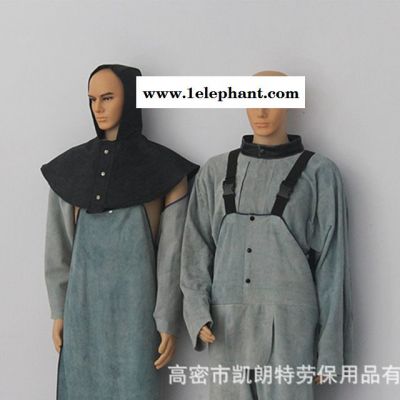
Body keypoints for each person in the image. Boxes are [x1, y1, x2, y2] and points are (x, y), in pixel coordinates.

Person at [180, 70, 353, 400]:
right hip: (225, 327)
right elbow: (194, 251)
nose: (261, 110)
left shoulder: (320, 173)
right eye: (253, 99)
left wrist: (329, 350)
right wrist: (197, 312)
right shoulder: (214, 172)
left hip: (290, 330)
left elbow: (332, 266)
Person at [41, 64, 199, 399]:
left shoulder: (166, 170)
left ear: (131, 99)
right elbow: (59, 249)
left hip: (138, 314)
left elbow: (172, 256)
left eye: (108, 97)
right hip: (81, 311)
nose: (98, 107)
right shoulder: (69, 170)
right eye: (92, 99)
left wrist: (166, 319)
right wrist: (59, 310)